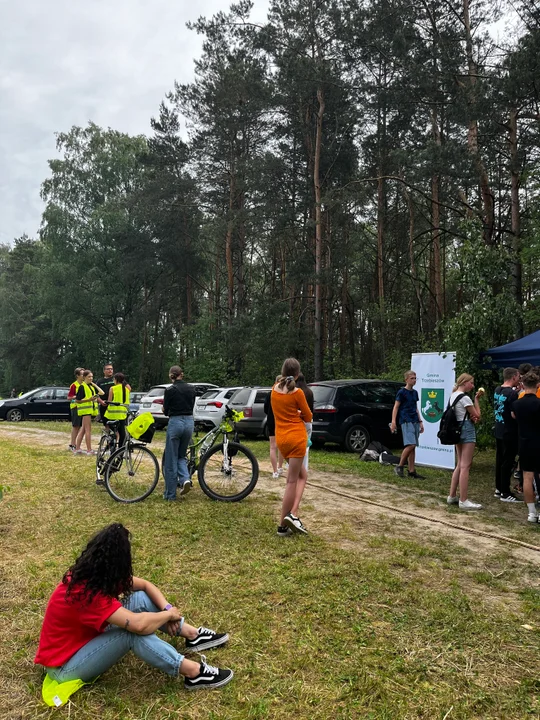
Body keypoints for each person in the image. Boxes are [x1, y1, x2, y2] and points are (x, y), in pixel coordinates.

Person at [34, 523, 233, 696]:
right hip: (62, 668)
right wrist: (168, 614)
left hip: (83, 642)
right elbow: (138, 626)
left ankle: (192, 634)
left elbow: (145, 585)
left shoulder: (92, 575)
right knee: (131, 635)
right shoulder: (88, 595)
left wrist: (167, 607)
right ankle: (194, 673)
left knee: (138, 598)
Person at [272, 358, 313, 536]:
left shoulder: (273, 390)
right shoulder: (297, 393)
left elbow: (280, 410)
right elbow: (309, 416)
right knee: (292, 481)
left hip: (282, 440)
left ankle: (293, 514)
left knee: (302, 475)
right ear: (297, 374)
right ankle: (284, 522)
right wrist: (298, 413)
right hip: (296, 439)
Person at [447, 374, 484, 510]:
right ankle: (463, 499)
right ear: (465, 382)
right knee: (465, 466)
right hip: (467, 429)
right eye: (471, 383)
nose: (473, 386)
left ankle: (452, 495)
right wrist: (476, 400)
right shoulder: (465, 398)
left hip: (456, 429)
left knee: (460, 464)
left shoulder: (453, 395)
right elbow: (477, 415)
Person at [163, 366, 196, 501]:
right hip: (189, 422)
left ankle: (170, 495)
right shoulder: (191, 389)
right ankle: (185, 479)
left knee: (171, 459)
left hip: (175, 422)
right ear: (182, 374)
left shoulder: (170, 390)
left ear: (171, 376)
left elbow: (166, 410)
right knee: (181, 456)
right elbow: (191, 406)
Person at [511, 372, 540, 523]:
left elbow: (514, 417)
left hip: (524, 443)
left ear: (522, 385)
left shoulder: (516, 404)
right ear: (538, 385)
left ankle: (531, 512)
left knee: (527, 478)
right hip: (538, 442)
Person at [390, 370, 425, 479]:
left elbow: (415, 408)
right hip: (406, 420)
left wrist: (420, 421)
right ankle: (399, 466)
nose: (414, 380)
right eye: (412, 378)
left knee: (413, 446)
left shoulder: (415, 393)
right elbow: (396, 407)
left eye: (415, 378)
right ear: (406, 380)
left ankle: (411, 470)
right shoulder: (402, 392)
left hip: (414, 420)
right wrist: (394, 422)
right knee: (411, 445)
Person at [493, 367, 520, 502]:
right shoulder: (512, 394)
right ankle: (505, 492)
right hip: (509, 431)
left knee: (499, 460)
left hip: (499, 428)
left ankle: (498, 488)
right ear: (514, 377)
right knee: (508, 462)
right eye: (518, 377)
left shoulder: (498, 390)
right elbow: (514, 414)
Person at [74, 370, 104, 455]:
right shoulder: (82, 387)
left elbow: (102, 393)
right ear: (84, 377)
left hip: (89, 410)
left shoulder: (91, 386)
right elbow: (77, 400)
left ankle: (77, 449)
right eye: (89, 377)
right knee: (88, 430)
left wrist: (94, 384)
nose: (91, 378)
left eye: (92, 377)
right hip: (85, 411)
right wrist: (89, 400)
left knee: (83, 429)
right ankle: (89, 450)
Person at [263, 384, 285, 479]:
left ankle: (275, 471)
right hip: (281, 421)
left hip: (272, 420)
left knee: (273, 446)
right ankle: (279, 467)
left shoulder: (270, 394)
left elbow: (265, 409)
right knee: (281, 445)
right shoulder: (285, 394)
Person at [103, 372, 130, 449]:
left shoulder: (112, 388)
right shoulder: (127, 389)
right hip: (122, 415)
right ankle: (120, 450)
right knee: (122, 433)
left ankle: (111, 447)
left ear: (116, 380)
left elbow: (109, 401)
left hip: (112, 414)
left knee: (112, 432)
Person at [295, 374, 314, 474]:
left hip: (297, 422)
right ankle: (304, 468)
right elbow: (311, 408)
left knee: (296, 446)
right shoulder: (309, 392)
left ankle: (294, 466)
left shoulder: (295, 392)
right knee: (306, 446)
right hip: (308, 422)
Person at [67, 368, 85, 452]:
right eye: (82, 374)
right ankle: (72, 444)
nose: (83, 376)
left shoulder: (85, 384)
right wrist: (77, 397)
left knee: (82, 427)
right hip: (75, 408)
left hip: (84, 408)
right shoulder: (74, 385)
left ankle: (77, 445)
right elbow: (69, 397)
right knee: (76, 426)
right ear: (77, 375)